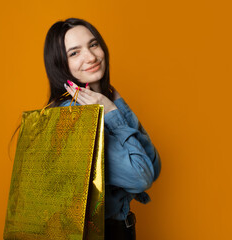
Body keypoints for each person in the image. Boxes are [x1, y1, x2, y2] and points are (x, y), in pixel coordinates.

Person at [43, 18, 161, 240]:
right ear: (60, 64)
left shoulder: (104, 105)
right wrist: (113, 114)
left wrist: (115, 104)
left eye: (93, 44)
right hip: (102, 233)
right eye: (74, 53)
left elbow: (154, 165)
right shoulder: (76, 116)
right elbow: (142, 177)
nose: (91, 57)